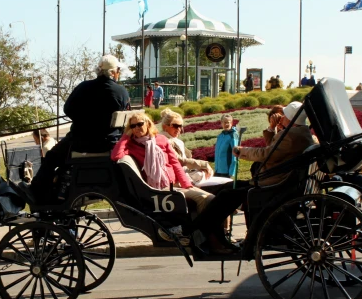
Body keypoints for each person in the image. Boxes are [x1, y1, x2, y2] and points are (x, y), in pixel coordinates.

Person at [179, 102, 315, 254]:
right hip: (280, 181)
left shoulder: (290, 136)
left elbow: (266, 154)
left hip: (272, 184)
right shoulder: (300, 133)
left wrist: (242, 151)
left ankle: (196, 230)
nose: (281, 117)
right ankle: (212, 235)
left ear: (291, 119)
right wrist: (272, 128)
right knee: (225, 189)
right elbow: (274, 149)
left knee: (225, 195)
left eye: (284, 115)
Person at [29, 55, 129, 195]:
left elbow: (67, 109)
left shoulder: (83, 87)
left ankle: (36, 190)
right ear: (114, 72)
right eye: (118, 70)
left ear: (98, 71)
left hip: (81, 142)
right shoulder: (121, 92)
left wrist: (83, 120)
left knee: (51, 156)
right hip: (109, 143)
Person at [111, 112, 213, 209]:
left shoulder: (161, 139)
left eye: (140, 124)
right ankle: (199, 227)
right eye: (133, 126)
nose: (137, 128)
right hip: (159, 188)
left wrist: (186, 184)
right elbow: (116, 155)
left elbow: (175, 163)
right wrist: (126, 136)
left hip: (175, 183)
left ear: (147, 124)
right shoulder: (132, 146)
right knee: (202, 199)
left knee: (211, 198)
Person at [160, 108, 214, 184]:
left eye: (180, 126)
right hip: (175, 181)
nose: (179, 129)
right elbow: (180, 161)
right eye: (175, 126)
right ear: (165, 126)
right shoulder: (164, 141)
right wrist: (204, 164)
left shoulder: (176, 140)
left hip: (182, 175)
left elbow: (188, 157)